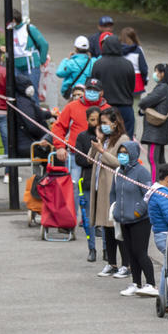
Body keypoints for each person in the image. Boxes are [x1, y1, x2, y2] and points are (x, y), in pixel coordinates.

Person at [87, 108, 130, 279]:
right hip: (100, 188)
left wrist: (103, 151)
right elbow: (89, 159)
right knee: (107, 228)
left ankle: (126, 265)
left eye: (105, 123)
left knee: (117, 228)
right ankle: (111, 263)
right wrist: (97, 145)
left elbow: (119, 162)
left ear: (115, 122)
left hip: (113, 189)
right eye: (100, 123)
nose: (102, 126)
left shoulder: (122, 140)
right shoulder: (103, 140)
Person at [111, 140, 158, 298]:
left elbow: (148, 194)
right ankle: (135, 283)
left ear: (132, 154)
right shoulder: (119, 171)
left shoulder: (141, 172)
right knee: (130, 253)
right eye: (120, 152)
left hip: (140, 220)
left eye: (125, 152)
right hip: (124, 220)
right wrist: (115, 210)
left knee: (140, 252)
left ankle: (150, 283)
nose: (122, 155)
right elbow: (114, 193)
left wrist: (138, 212)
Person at [71, 104, 102, 258]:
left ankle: (106, 251)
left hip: (103, 181)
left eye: (97, 120)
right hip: (88, 180)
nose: (95, 123)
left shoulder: (105, 137)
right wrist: (92, 159)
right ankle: (92, 249)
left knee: (103, 218)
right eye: (92, 120)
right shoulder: (82, 137)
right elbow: (79, 159)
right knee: (88, 217)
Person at [92, 36, 135, 136]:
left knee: (104, 138)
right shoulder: (128, 64)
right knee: (126, 139)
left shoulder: (98, 64)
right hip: (125, 106)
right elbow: (131, 85)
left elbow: (94, 85)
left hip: (105, 106)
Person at [137, 63, 168, 177]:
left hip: (155, 130)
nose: (155, 74)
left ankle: (155, 185)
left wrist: (143, 105)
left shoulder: (162, 88)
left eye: (157, 71)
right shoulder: (166, 88)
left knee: (153, 160)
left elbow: (144, 102)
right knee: (160, 160)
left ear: (163, 74)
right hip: (160, 130)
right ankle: (165, 183)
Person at [8, 8, 50, 95]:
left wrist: (41, 61)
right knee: (18, 93)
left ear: (13, 20)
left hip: (31, 66)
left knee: (32, 93)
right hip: (16, 66)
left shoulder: (29, 28)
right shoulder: (10, 31)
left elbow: (44, 44)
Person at [56, 35, 95, 100]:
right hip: (87, 93)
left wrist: (66, 60)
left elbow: (59, 73)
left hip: (73, 93)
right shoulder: (92, 61)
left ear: (75, 48)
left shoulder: (71, 62)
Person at [118, 27, 148, 107]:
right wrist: (144, 81)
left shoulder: (117, 50)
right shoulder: (138, 50)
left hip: (120, 80)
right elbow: (143, 68)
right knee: (134, 108)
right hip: (136, 81)